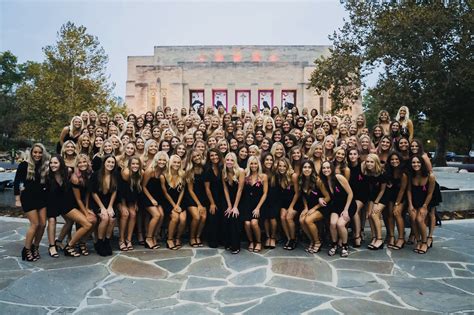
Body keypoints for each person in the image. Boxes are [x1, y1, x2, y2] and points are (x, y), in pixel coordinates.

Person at [14, 144, 49, 261]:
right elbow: (16, 182)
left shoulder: (44, 165)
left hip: (42, 198)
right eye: (35, 152)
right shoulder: (24, 165)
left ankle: (35, 247)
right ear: (31, 152)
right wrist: (17, 199)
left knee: (43, 224)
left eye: (40, 152)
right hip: (28, 198)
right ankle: (26, 249)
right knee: (35, 224)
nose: (37, 155)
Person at [321, 161, 357, 257]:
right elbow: (323, 194)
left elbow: (350, 193)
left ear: (332, 168)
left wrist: (346, 210)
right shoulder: (323, 181)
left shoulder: (339, 177)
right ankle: (334, 245)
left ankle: (345, 246)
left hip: (348, 205)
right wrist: (320, 198)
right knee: (332, 223)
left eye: (328, 167)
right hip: (336, 206)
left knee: (340, 224)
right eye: (324, 168)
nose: (326, 170)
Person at [299, 160, 330, 254]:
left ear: (312, 169)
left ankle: (317, 242)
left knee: (308, 220)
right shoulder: (302, 180)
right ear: (302, 169)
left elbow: (328, 197)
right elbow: (303, 196)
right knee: (301, 220)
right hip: (310, 207)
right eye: (305, 167)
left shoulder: (318, 180)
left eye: (309, 167)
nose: (307, 169)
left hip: (322, 207)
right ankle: (312, 240)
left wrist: (314, 208)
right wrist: (305, 208)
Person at [407, 156, 437, 254]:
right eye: (413, 162)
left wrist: (424, 206)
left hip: (427, 200)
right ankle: (418, 241)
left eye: (418, 162)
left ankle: (425, 242)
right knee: (412, 217)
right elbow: (409, 190)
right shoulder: (411, 175)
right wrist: (410, 205)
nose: (416, 164)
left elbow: (430, 193)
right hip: (415, 200)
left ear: (423, 163)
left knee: (419, 219)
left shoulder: (430, 176)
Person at [90, 155, 118, 256]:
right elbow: (93, 193)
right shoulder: (96, 175)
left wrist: (110, 206)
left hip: (109, 202)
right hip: (97, 202)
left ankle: (107, 241)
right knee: (105, 218)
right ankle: (99, 242)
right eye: (108, 162)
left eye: (112, 163)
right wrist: (102, 208)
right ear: (104, 163)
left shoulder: (115, 175)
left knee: (112, 219)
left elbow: (115, 191)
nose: (110, 164)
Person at [241, 156, 268, 252]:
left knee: (254, 223)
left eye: (255, 163)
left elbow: (265, 193)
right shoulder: (245, 176)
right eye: (251, 163)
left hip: (258, 205)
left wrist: (258, 208)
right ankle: (251, 241)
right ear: (248, 165)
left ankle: (259, 242)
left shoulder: (263, 176)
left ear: (258, 165)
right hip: (247, 204)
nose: (253, 165)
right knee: (247, 223)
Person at [142, 152, 168, 249]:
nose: (162, 162)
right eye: (160, 160)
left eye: (164, 160)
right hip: (146, 196)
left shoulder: (163, 171)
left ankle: (154, 236)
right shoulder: (150, 171)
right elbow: (143, 187)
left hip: (157, 197)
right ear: (156, 160)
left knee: (161, 215)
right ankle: (148, 238)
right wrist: (151, 199)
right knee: (156, 215)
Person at [161, 155, 187, 250]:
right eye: (174, 162)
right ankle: (170, 239)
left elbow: (183, 190)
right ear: (170, 163)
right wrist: (174, 206)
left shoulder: (183, 174)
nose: (176, 164)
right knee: (175, 218)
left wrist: (178, 204)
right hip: (168, 201)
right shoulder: (163, 175)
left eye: (178, 162)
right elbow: (165, 193)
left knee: (183, 219)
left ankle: (178, 238)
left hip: (180, 201)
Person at [363, 154, 387, 250]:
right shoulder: (367, 173)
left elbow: (382, 190)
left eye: (371, 162)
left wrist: (376, 203)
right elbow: (370, 190)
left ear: (376, 162)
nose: (369, 164)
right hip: (373, 197)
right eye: (367, 161)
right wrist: (371, 202)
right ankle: (374, 238)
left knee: (374, 214)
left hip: (383, 196)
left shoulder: (382, 173)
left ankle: (379, 239)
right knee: (369, 215)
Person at [222, 152, 245, 254]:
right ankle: (228, 242)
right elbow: (225, 189)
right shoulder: (224, 172)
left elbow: (240, 190)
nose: (229, 162)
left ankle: (236, 246)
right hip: (229, 200)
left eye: (232, 160)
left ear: (235, 161)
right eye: (227, 160)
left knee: (234, 217)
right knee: (227, 215)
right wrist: (229, 205)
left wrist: (235, 206)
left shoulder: (240, 171)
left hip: (241, 200)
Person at [384, 151, 408, 250]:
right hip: (391, 195)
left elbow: (402, 190)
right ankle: (392, 237)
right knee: (389, 214)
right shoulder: (389, 170)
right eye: (392, 159)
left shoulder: (403, 174)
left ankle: (401, 238)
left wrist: (397, 204)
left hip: (401, 197)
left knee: (397, 213)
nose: (394, 161)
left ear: (400, 160)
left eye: (396, 159)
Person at [118, 157, 142, 251]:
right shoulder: (126, 173)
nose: (135, 166)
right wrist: (123, 205)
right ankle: (121, 240)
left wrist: (135, 203)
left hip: (131, 199)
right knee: (125, 214)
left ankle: (129, 239)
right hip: (120, 199)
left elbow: (136, 191)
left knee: (133, 214)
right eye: (133, 164)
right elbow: (122, 191)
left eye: (137, 164)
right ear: (129, 165)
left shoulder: (139, 174)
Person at [185, 151, 208, 247]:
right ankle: (192, 237)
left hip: (203, 197)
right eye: (194, 157)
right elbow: (190, 190)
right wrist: (198, 204)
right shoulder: (189, 171)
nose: (197, 158)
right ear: (191, 159)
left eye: (198, 155)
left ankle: (198, 236)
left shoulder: (205, 168)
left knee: (203, 217)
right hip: (192, 197)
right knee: (197, 217)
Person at [276, 158, 300, 250]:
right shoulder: (279, 176)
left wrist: (291, 207)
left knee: (288, 217)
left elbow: (297, 193)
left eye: (284, 166)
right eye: (280, 166)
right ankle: (289, 238)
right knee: (282, 217)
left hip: (295, 202)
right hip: (284, 202)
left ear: (287, 166)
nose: (282, 168)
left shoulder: (293, 176)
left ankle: (293, 239)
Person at [204, 149, 224, 248]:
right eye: (212, 155)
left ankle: (222, 239)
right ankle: (212, 240)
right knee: (213, 219)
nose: (214, 157)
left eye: (216, 155)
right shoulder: (207, 169)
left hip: (223, 197)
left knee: (222, 219)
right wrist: (212, 203)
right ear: (209, 157)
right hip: (211, 198)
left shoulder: (222, 167)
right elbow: (207, 188)